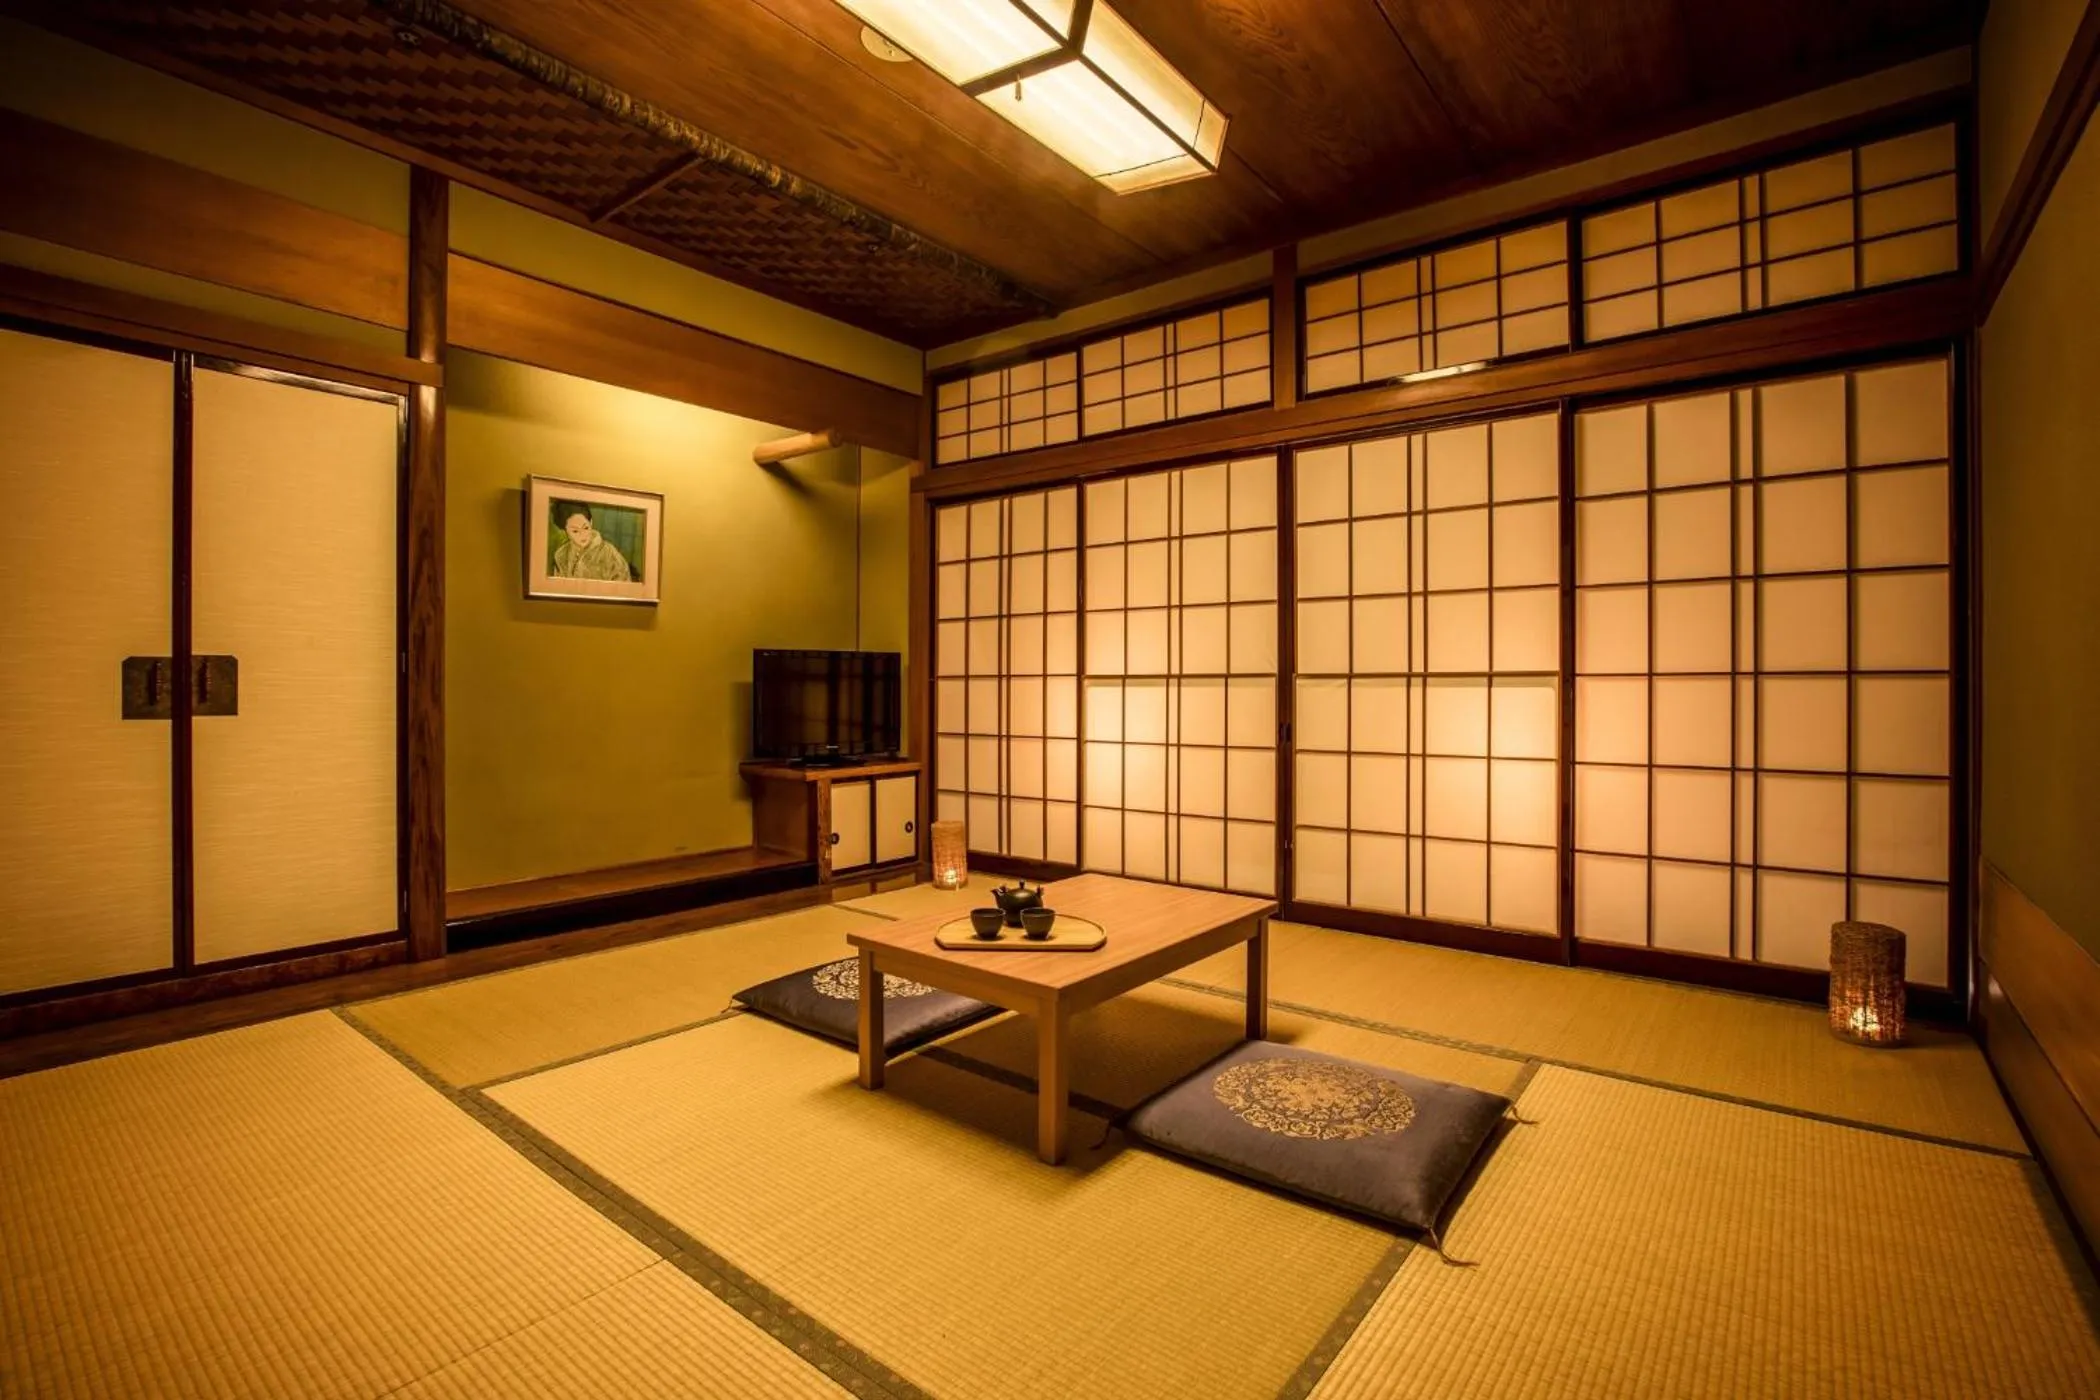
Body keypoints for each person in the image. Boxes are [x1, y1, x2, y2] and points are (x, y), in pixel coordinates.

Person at [550, 502, 633, 581]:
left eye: (585, 527)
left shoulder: (609, 553)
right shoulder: (561, 555)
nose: (582, 534)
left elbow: (623, 586)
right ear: (565, 530)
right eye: (575, 531)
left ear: (591, 522)